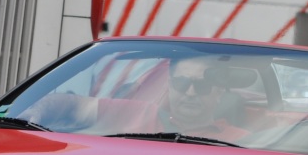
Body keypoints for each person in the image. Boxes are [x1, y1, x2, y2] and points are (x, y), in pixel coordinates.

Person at [18, 55, 246, 141]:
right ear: (170, 84)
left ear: (219, 91)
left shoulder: (241, 141)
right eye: (182, 82)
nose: (190, 92)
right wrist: (30, 115)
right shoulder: (136, 112)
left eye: (203, 85)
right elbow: (72, 105)